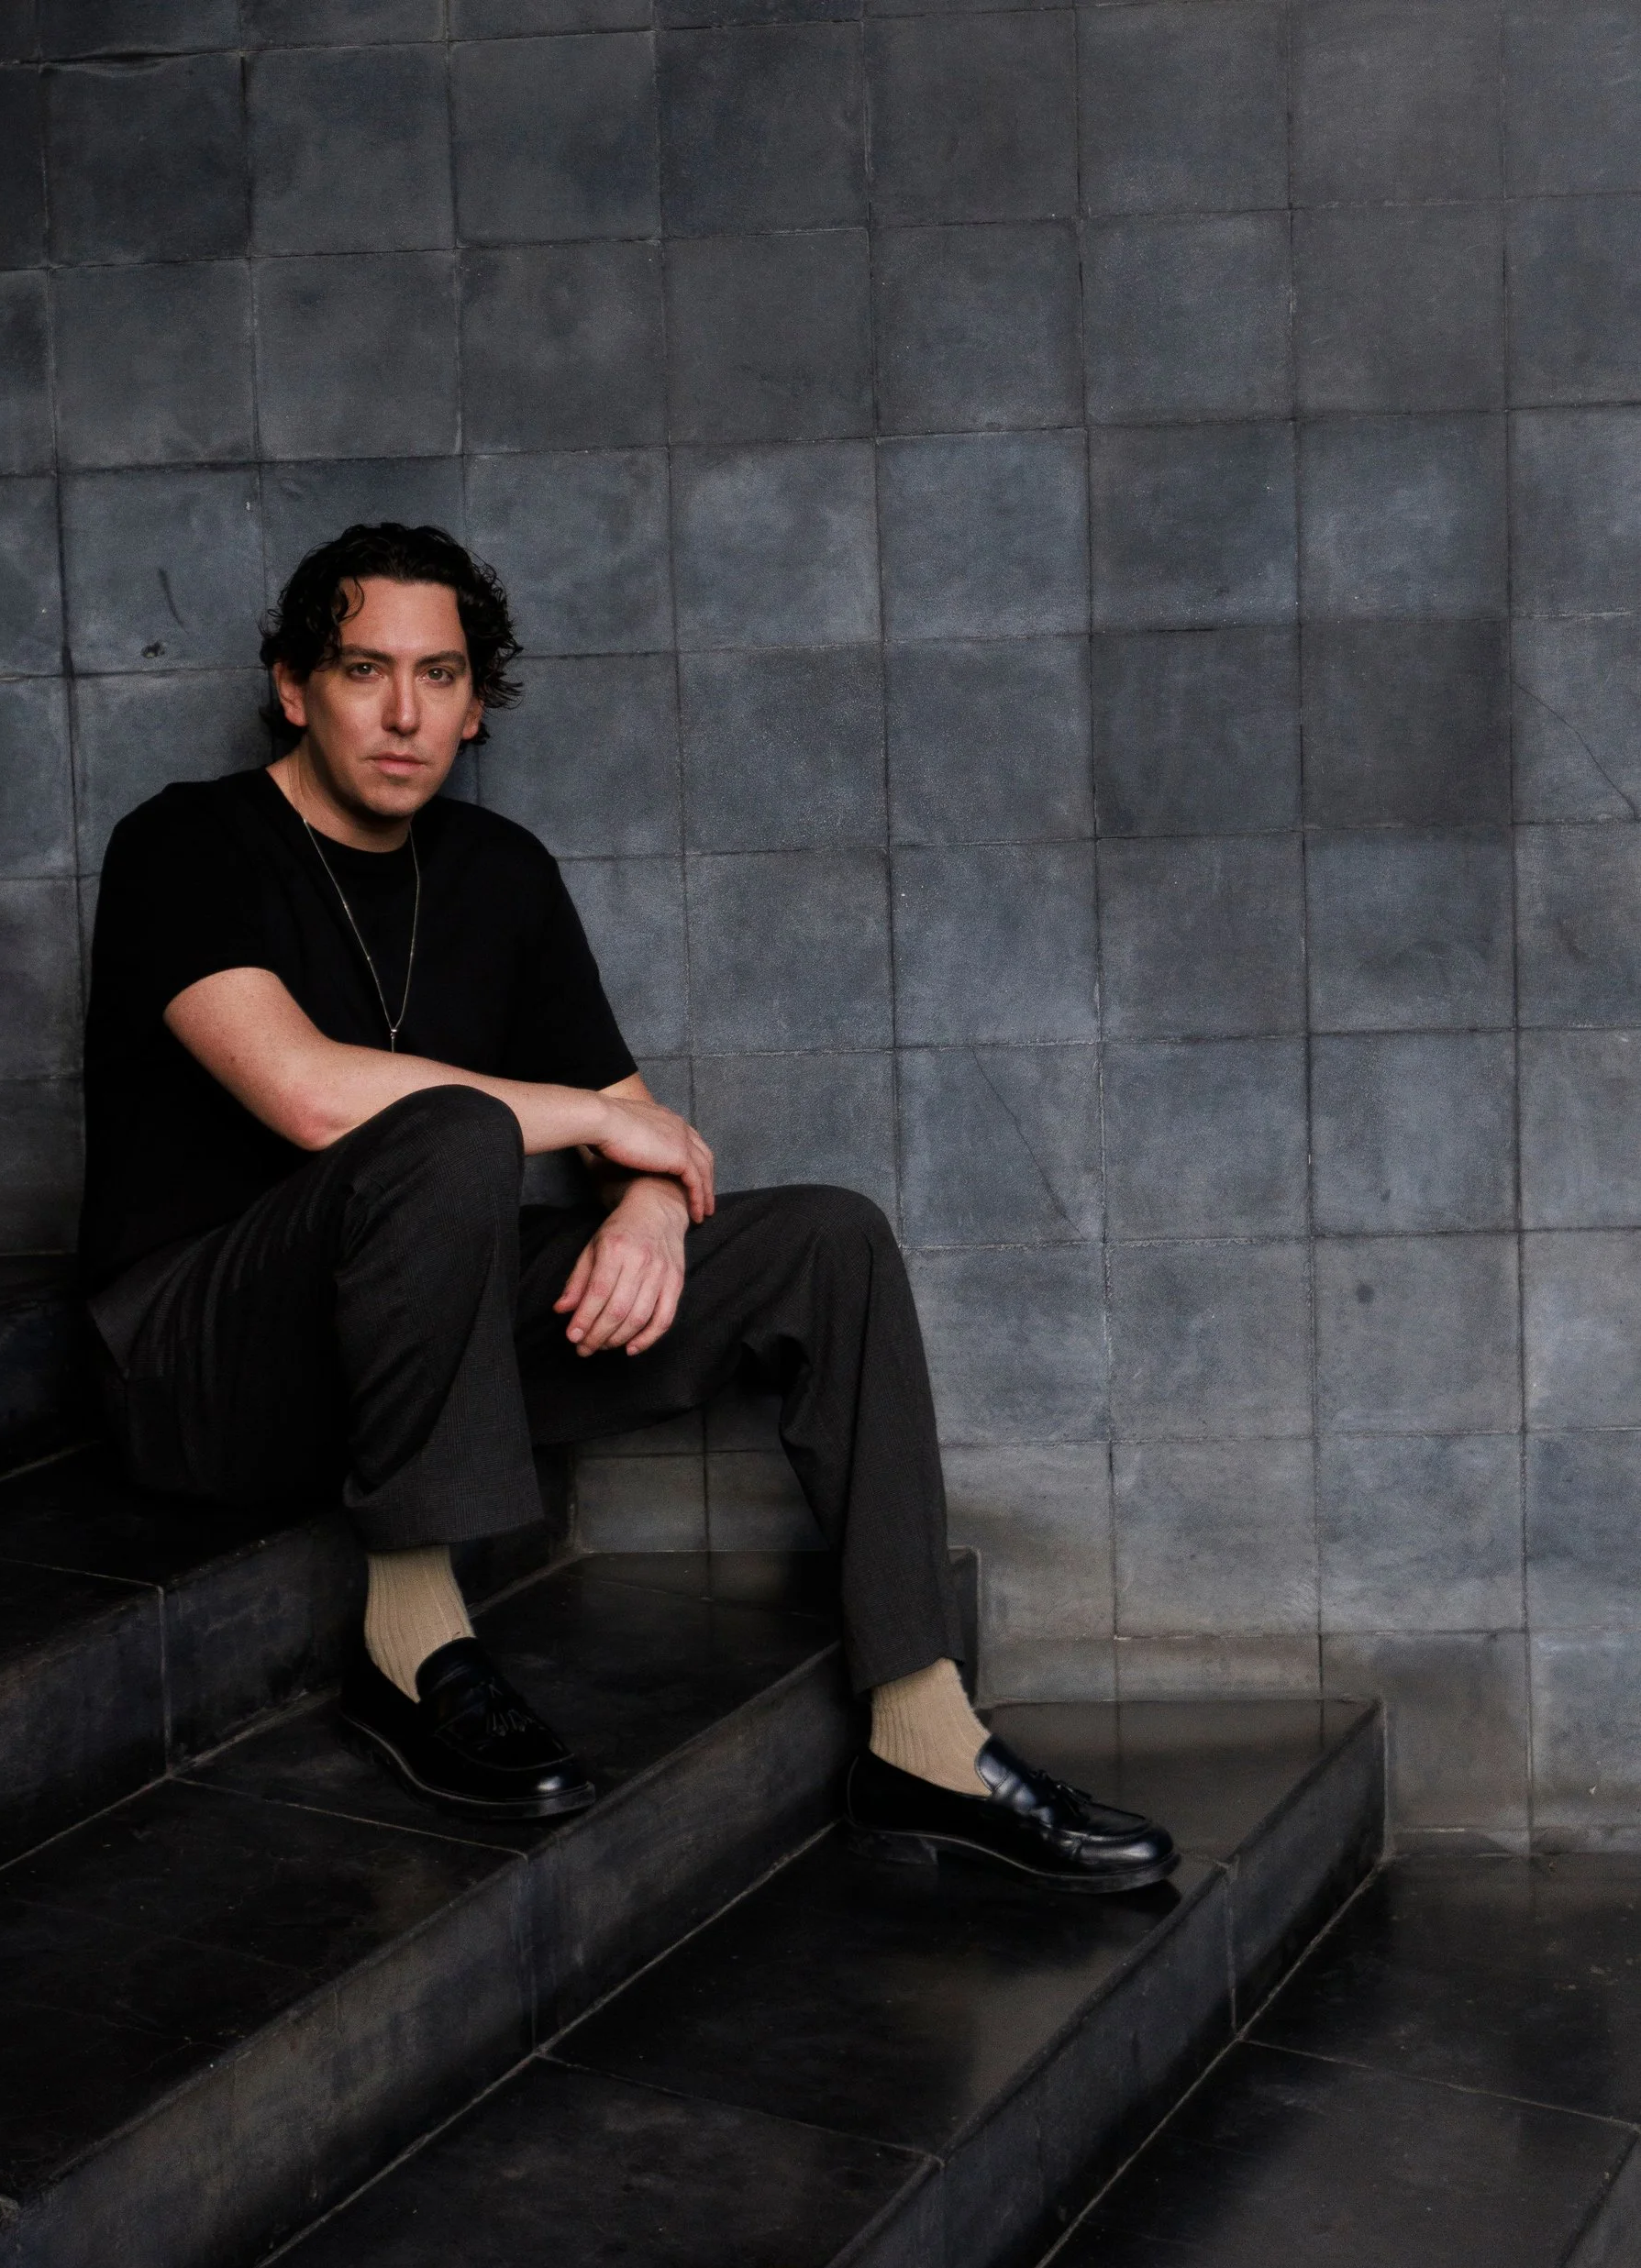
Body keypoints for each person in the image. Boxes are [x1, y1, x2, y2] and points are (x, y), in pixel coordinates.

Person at [79, 524, 1172, 1894]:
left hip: (419, 1337)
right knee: (454, 1131)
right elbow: (306, 1095)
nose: (405, 713)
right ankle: (412, 1640)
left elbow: (634, 1121)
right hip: (205, 1363)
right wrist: (596, 1125)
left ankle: (923, 1735)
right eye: (364, 670)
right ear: (294, 688)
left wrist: (649, 1205)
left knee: (826, 1240)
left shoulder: (499, 873)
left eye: (438, 675)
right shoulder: (184, 842)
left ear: (477, 707)